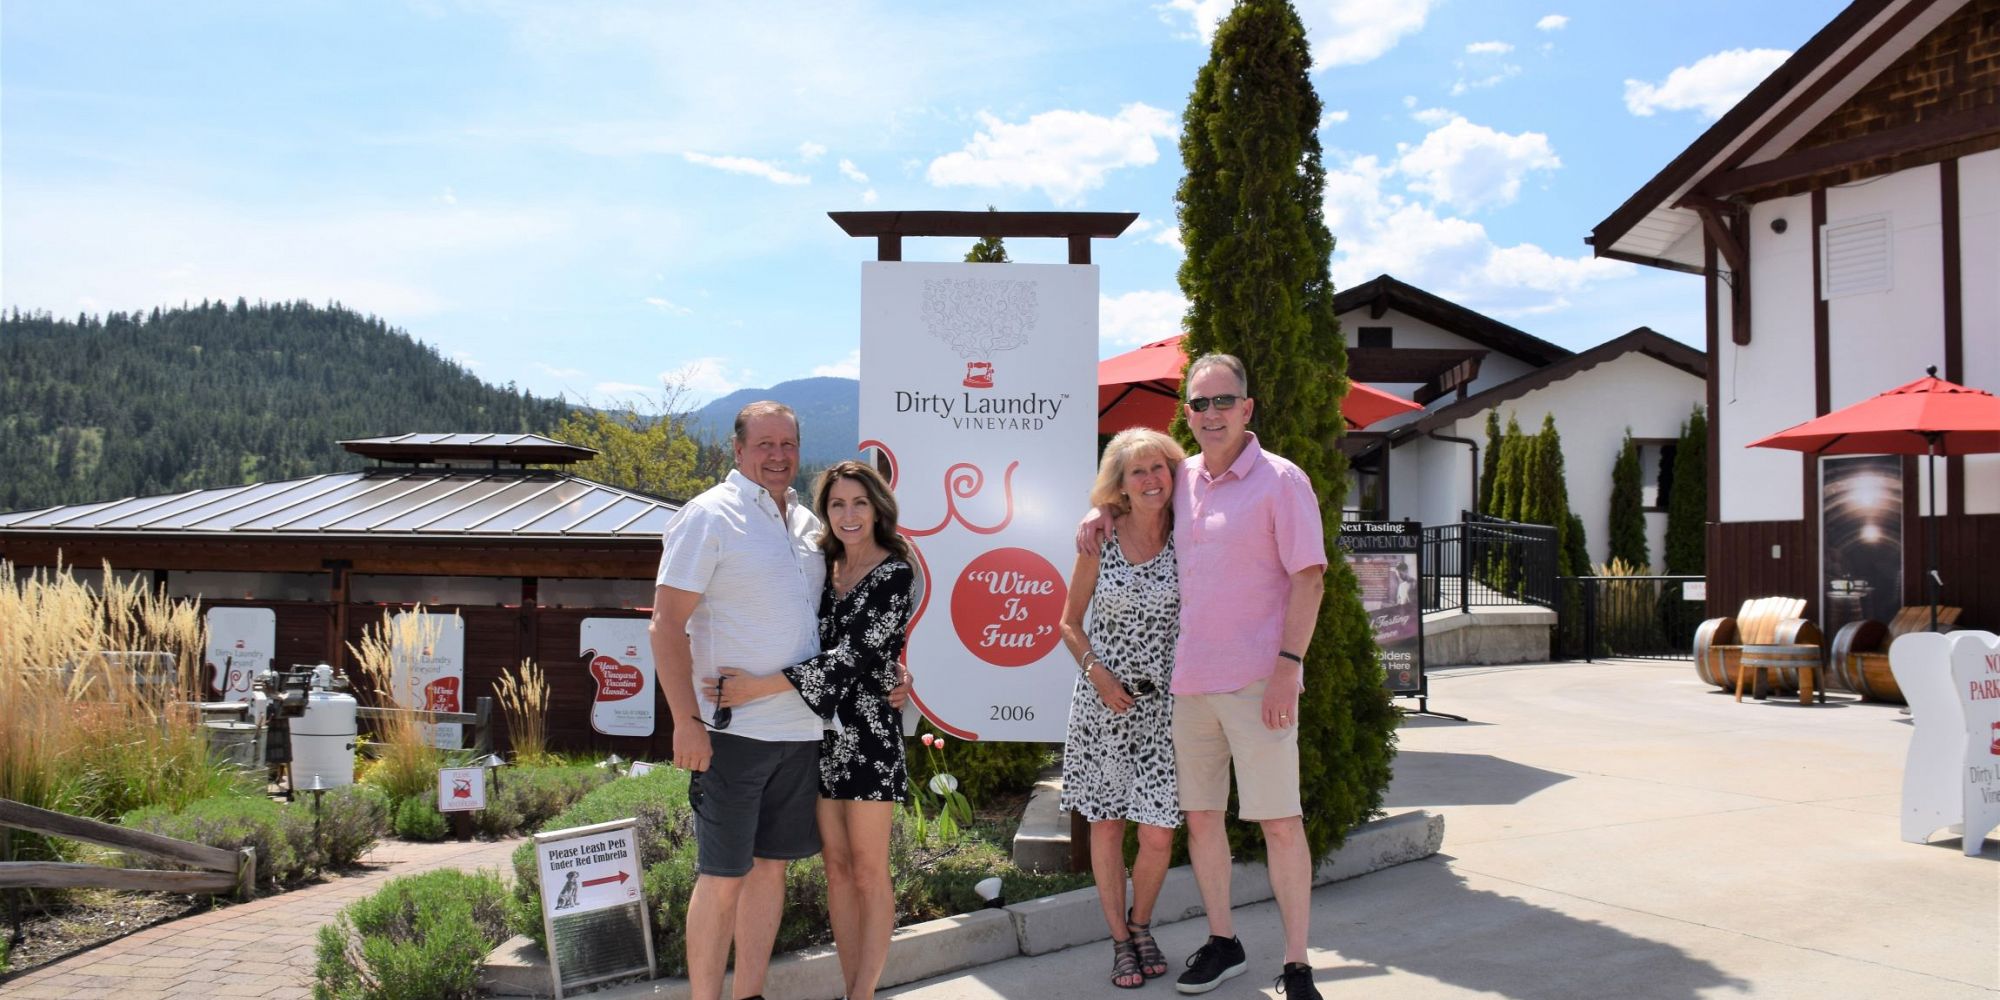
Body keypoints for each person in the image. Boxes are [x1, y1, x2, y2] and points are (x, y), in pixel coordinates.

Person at [1079, 353, 1327, 999]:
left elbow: (1309, 578)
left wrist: (1287, 669)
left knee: (1279, 822)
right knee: (1203, 823)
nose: (1211, 413)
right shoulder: (1181, 478)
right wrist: (1098, 515)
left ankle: (1297, 962)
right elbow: (1134, 494)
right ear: (1185, 414)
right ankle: (1224, 941)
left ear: (1247, 408)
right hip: (1189, 687)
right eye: (1199, 404)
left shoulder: (1281, 481)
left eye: (1224, 401)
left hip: (1258, 683)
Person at [708, 460, 915, 1000]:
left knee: (869, 871)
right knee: (838, 871)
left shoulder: (895, 570)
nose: (848, 515)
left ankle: (863, 994)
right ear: (825, 511)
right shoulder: (823, 566)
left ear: (878, 509)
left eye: (859, 503)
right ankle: (851, 987)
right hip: (818, 736)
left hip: (869, 737)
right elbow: (805, 639)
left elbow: (855, 655)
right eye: (837, 504)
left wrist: (757, 687)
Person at [651, 401, 828, 1000]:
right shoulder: (708, 516)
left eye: (788, 445)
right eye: (764, 445)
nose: (778, 456)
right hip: (730, 733)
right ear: (737, 449)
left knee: (770, 871)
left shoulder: (809, 524)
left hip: (801, 733)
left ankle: (749, 993)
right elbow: (664, 626)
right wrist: (685, 723)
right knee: (722, 876)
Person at [1058, 428, 1186, 990]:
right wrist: (1098, 674)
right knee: (1106, 826)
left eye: (1159, 467)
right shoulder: (1099, 540)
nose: (1151, 478)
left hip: (1165, 711)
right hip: (1102, 705)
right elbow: (1068, 621)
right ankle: (1120, 941)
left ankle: (1142, 924)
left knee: (1158, 831)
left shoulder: (1190, 535)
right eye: (1138, 471)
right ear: (1121, 485)